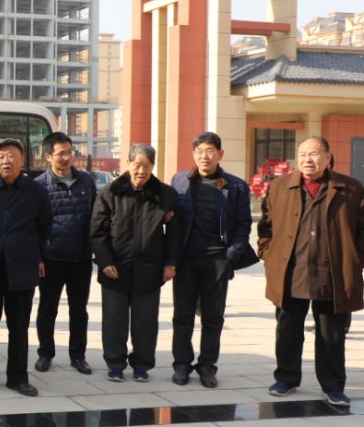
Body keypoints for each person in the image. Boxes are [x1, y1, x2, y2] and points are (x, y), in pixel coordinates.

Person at [258, 136, 364, 406]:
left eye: (314, 154)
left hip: (332, 272)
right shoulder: (281, 186)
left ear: (328, 157)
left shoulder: (350, 189)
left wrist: (355, 261)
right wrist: (268, 255)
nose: (307, 159)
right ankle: (286, 378)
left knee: (331, 333)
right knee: (288, 328)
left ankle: (333, 385)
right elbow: (266, 226)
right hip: (292, 269)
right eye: (303, 154)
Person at [170, 132, 258, 388]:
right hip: (187, 260)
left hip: (217, 261)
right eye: (199, 151)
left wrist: (230, 256)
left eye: (209, 151)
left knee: (213, 317)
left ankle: (207, 366)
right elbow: (172, 219)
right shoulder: (180, 181)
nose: (204, 156)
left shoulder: (236, 186)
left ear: (220, 154)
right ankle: (182, 365)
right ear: (193, 154)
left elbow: (243, 225)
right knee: (182, 315)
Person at [0, 138, 51, 396]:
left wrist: (37, 256)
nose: (6, 160)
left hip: (21, 270)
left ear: (22, 160)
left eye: (12, 155)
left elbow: (44, 228)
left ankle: (18, 377)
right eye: (1, 156)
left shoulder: (36, 192)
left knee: (19, 328)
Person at [91, 143, 180, 382]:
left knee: (145, 321)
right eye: (137, 165)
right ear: (128, 163)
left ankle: (142, 364)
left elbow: (174, 233)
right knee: (114, 320)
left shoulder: (165, 194)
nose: (142, 171)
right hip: (115, 269)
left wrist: (170, 263)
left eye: (147, 166)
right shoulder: (110, 192)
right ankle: (115, 364)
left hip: (149, 269)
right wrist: (105, 261)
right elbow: (97, 231)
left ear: (153, 166)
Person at [33, 132, 97, 376]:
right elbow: (34, 225)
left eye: (70, 152)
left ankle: (78, 355)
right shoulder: (39, 186)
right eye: (61, 153)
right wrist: (38, 257)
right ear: (48, 156)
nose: (67, 157)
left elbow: (95, 216)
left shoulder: (86, 181)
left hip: (80, 258)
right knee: (48, 309)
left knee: (78, 310)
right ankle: (45, 353)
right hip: (51, 258)